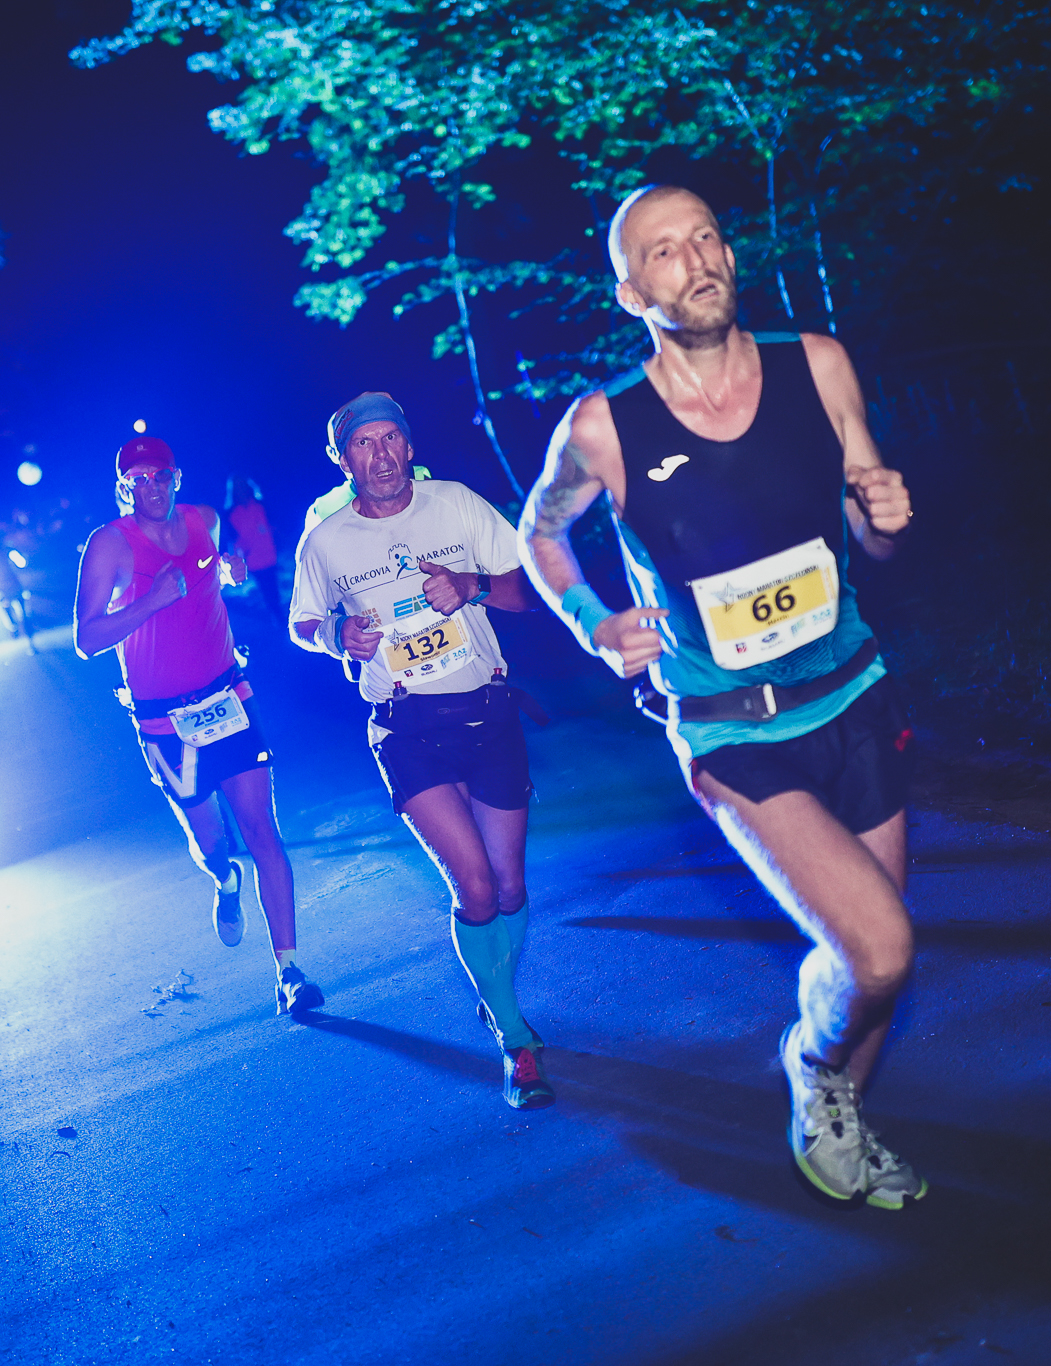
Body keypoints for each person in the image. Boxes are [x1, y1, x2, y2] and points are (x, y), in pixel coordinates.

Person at [517, 186, 924, 1207]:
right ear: (630, 292)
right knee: (879, 953)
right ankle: (811, 1063)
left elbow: (873, 536)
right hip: (732, 731)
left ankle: (841, 1113)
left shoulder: (817, 365)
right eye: (662, 251)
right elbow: (539, 533)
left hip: (854, 695)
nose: (694, 259)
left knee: (871, 956)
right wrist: (593, 621)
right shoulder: (604, 427)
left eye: (704, 237)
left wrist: (885, 520)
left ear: (729, 256)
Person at [289, 393, 552, 1109]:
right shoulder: (326, 539)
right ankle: (515, 1038)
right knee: (475, 888)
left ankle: (496, 992)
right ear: (343, 460)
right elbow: (302, 623)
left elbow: (527, 592)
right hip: (405, 726)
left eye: (389, 439)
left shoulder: (456, 504)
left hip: (487, 711)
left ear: (408, 446)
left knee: (510, 887)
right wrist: (335, 636)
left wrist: (471, 586)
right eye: (362, 444)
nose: (379, 455)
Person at [74, 434, 322, 1016]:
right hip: (165, 724)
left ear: (176, 478)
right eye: (137, 481)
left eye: (159, 476)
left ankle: (289, 973)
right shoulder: (110, 545)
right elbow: (86, 638)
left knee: (263, 832)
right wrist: (150, 601)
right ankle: (223, 880)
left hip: (228, 698)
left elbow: (212, 572)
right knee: (212, 842)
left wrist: (230, 571)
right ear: (123, 489)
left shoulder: (204, 521)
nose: (150, 488)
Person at [222, 474, 284, 620]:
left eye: (242, 486)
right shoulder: (231, 514)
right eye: (237, 487)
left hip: (269, 555)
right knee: (266, 589)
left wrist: (275, 540)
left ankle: (279, 616)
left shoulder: (261, 505)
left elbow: (274, 527)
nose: (240, 490)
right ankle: (276, 616)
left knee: (273, 588)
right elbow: (233, 540)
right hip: (252, 560)